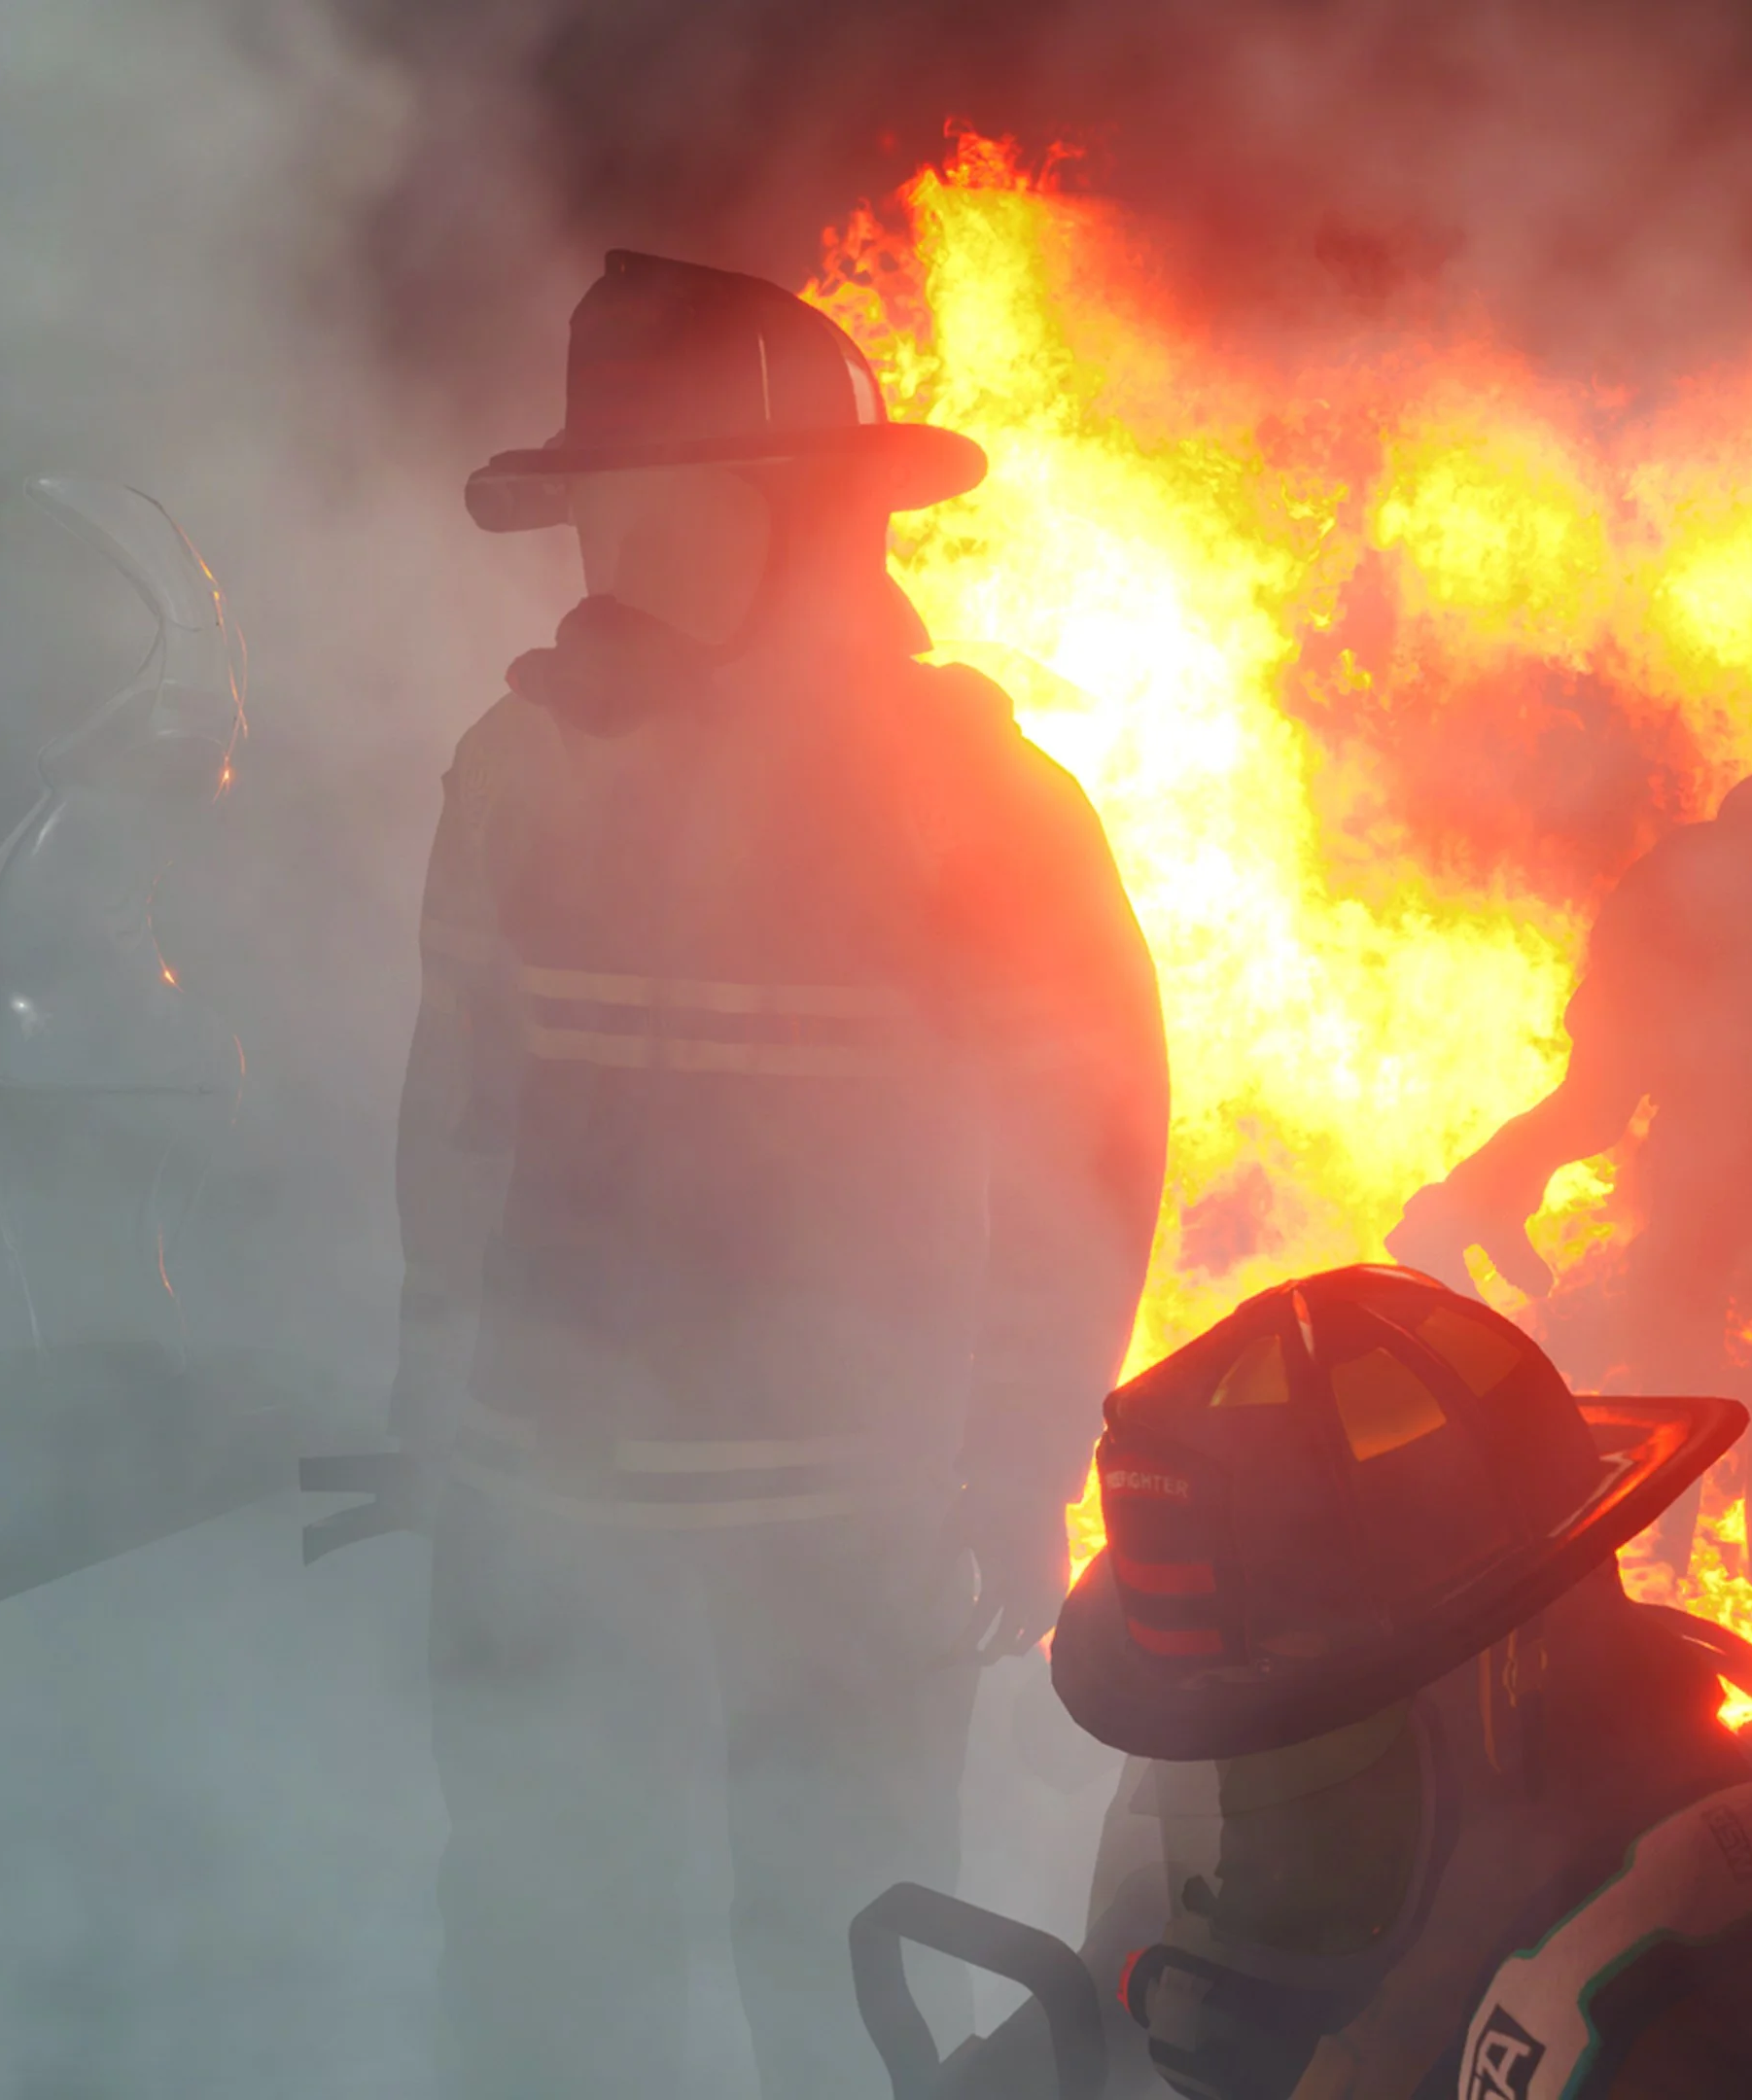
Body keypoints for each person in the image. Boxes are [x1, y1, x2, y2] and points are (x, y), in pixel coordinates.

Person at [388, 249, 1170, 2099]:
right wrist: (436, 1406)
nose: (604, 551)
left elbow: (1088, 1150)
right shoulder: (516, 766)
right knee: (541, 1958)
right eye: (596, 506)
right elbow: (458, 1113)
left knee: (847, 1958)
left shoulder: (970, 795)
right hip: (543, 1502)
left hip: (848, 1524)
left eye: (650, 502)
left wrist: (1022, 1464)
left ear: (790, 513)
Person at [1036, 1263, 1752, 2100]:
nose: (1249, 1803)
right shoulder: (1352, 1849)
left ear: (1504, 1665)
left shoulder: (1657, 2014)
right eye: (1231, 1735)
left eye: (1302, 1732)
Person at [1389, 772, 1752, 1641]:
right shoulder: (1687, 896)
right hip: (1717, 1160)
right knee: (1702, 1368)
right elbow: (1606, 1069)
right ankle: (1677, 1565)